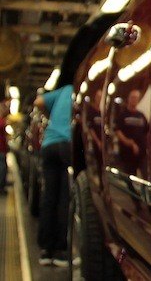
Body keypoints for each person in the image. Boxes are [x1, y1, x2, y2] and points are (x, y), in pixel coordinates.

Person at [34, 84, 73, 267]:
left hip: (48, 144)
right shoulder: (79, 90)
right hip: (65, 144)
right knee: (63, 198)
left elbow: (39, 101)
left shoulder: (64, 90)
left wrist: (50, 116)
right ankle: (59, 252)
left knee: (49, 197)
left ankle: (45, 251)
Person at [114, 89, 148, 175]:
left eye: (136, 98)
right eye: (133, 97)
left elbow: (147, 131)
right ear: (129, 99)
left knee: (146, 176)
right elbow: (118, 131)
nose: (134, 100)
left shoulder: (141, 115)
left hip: (141, 153)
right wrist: (129, 143)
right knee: (130, 177)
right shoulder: (122, 115)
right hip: (127, 153)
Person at [0, 104, 8, 195]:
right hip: (1, 149)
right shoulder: (1, 121)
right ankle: (1, 187)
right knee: (2, 168)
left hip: (2, 148)